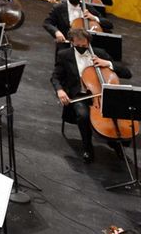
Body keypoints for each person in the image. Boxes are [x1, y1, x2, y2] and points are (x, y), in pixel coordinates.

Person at [54, 28, 131, 162]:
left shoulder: (99, 53)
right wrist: (60, 90)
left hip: (102, 94)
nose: (82, 48)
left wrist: (107, 63)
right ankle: (87, 147)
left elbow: (127, 73)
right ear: (72, 42)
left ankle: (117, 145)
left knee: (114, 114)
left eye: (84, 46)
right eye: (78, 46)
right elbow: (55, 77)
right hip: (79, 95)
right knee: (82, 115)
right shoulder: (64, 55)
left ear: (89, 42)